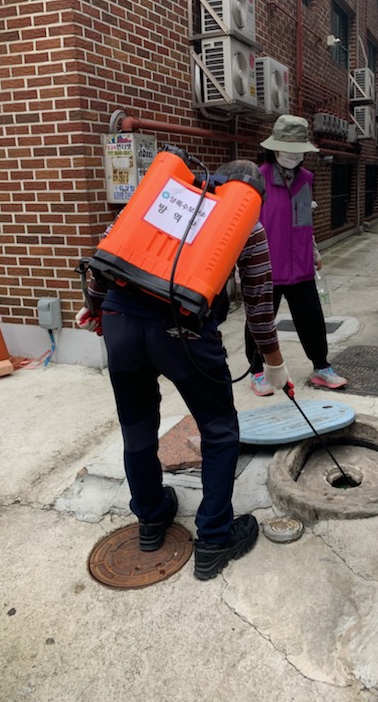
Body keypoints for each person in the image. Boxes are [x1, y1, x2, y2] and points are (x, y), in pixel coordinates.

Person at [76, 159, 292, 581]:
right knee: (219, 429)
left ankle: (152, 518)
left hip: (121, 322)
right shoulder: (245, 224)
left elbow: (107, 253)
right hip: (183, 333)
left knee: (136, 424)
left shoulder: (164, 195)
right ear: (249, 197)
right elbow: (260, 306)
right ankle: (214, 538)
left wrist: (96, 306)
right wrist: (275, 364)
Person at [244, 115, 347, 396]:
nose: (292, 155)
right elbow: (245, 222)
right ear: (274, 148)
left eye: (297, 150)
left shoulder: (306, 180)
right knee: (260, 320)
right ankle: (256, 372)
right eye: (286, 148)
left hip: (299, 265)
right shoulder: (258, 178)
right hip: (265, 266)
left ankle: (321, 368)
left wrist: (313, 251)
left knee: (312, 317)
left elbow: (304, 221)